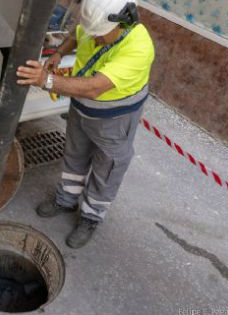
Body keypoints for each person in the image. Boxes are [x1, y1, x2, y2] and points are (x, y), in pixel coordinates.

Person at [16, 0, 154, 248]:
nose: (95, 39)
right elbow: (77, 34)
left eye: (100, 35)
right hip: (81, 110)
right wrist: (58, 53)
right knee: (74, 157)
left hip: (114, 121)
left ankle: (91, 216)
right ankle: (66, 199)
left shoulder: (139, 48)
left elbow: (93, 88)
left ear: (123, 22)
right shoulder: (101, 24)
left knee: (106, 170)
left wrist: (46, 81)